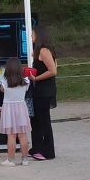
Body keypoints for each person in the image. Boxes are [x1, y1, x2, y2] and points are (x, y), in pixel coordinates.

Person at [30, 25, 58, 160]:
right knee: (36, 120)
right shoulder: (40, 50)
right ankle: (37, 147)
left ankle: (48, 151)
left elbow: (53, 70)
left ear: (38, 35)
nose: (31, 36)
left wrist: (36, 78)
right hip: (40, 90)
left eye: (32, 34)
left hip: (44, 90)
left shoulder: (44, 50)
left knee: (43, 121)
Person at [0, 57, 32, 166]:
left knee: (11, 135)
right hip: (21, 108)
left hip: (8, 109)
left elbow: (1, 89)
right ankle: (25, 159)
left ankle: (10, 160)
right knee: (23, 135)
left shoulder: (5, 80)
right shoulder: (26, 80)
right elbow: (26, 89)